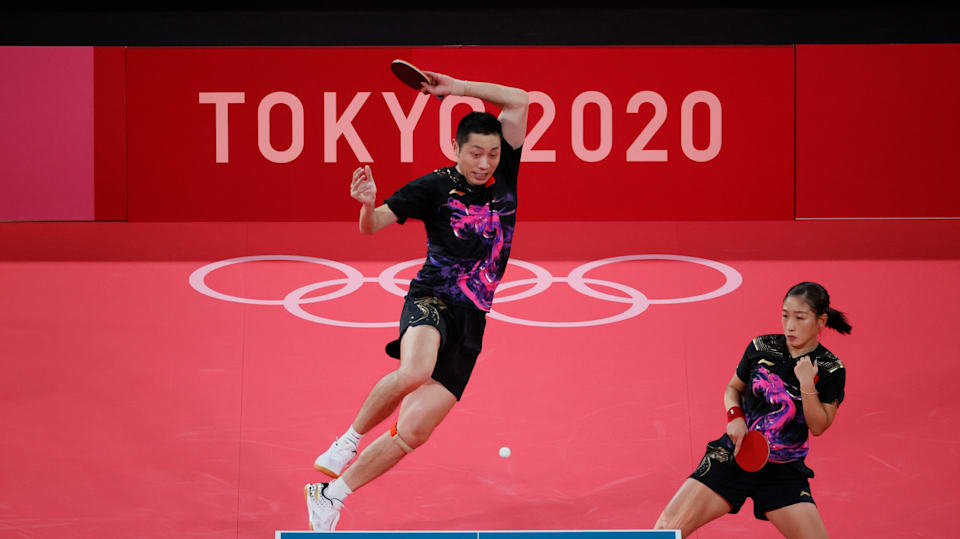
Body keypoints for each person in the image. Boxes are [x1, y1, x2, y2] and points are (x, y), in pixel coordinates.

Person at [304, 68, 529, 531]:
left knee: (412, 434)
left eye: (491, 153)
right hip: (433, 299)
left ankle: (330, 495)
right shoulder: (432, 187)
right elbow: (373, 226)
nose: (484, 163)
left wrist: (457, 88)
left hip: (474, 320)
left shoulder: (505, 169)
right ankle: (346, 440)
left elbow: (519, 100)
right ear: (456, 149)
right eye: (475, 153)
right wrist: (366, 203)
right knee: (415, 371)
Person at [654, 282, 852, 538]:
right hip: (735, 454)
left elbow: (818, 426)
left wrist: (806, 383)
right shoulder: (762, 347)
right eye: (785, 315)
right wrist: (735, 418)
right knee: (665, 530)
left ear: (821, 320)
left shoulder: (831, 368)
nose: (789, 325)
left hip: (784, 472)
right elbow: (732, 389)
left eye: (799, 318)